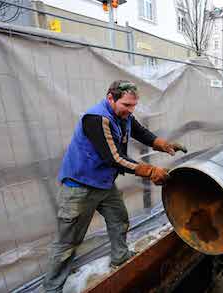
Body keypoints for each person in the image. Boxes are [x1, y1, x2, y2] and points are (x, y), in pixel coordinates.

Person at [43, 80, 187, 292]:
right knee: (68, 242)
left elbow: (141, 132)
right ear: (110, 98)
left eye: (134, 105)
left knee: (119, 219)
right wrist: (150, 171)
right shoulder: (97, 119)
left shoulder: (124, 116)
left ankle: (120, 257)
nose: (131, 110)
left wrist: (162, 145)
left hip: (103, 183)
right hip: (79, 187)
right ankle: (51, 288)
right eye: (127, 105)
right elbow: (115, 158)